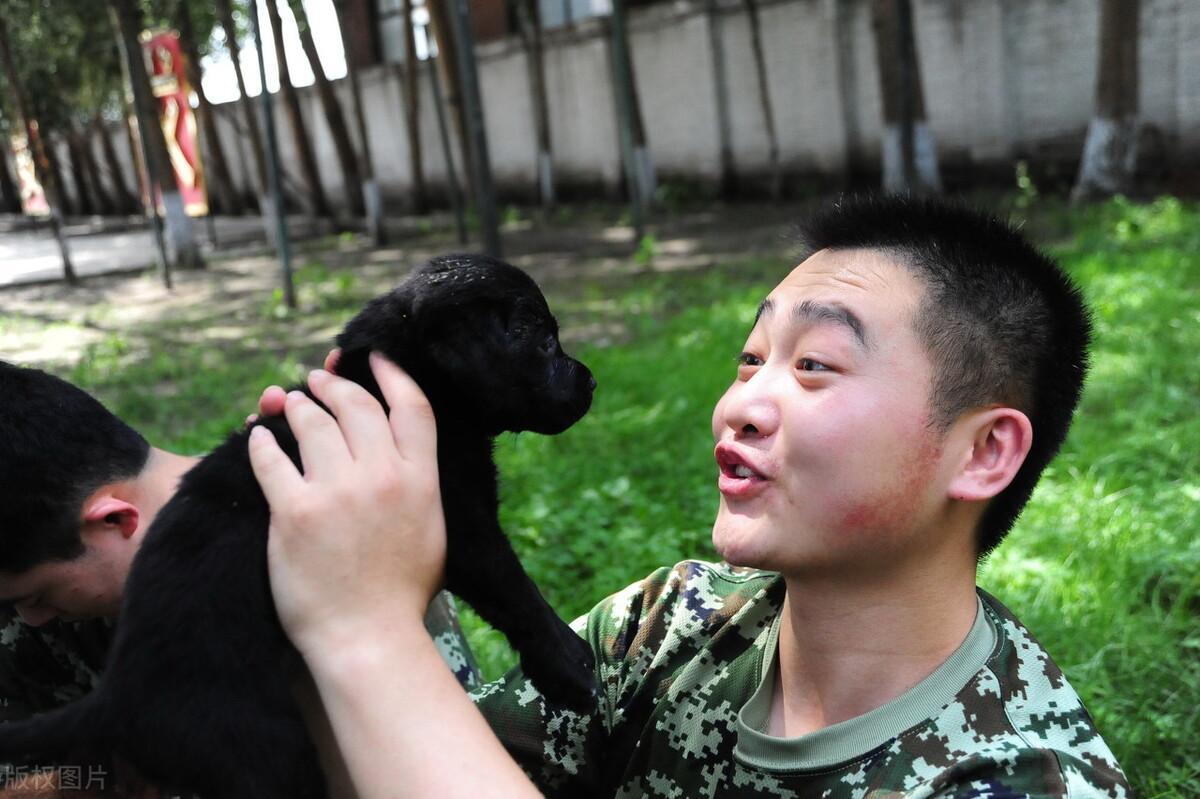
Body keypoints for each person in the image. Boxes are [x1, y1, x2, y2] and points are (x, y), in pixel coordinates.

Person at [247, 195, 1132, 798]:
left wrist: (364, 630)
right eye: (752, 358)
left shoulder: (1013, 781)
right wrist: (315, 553)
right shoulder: (673, 625)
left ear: (982, 452)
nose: (741, 402)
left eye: (814, 364)